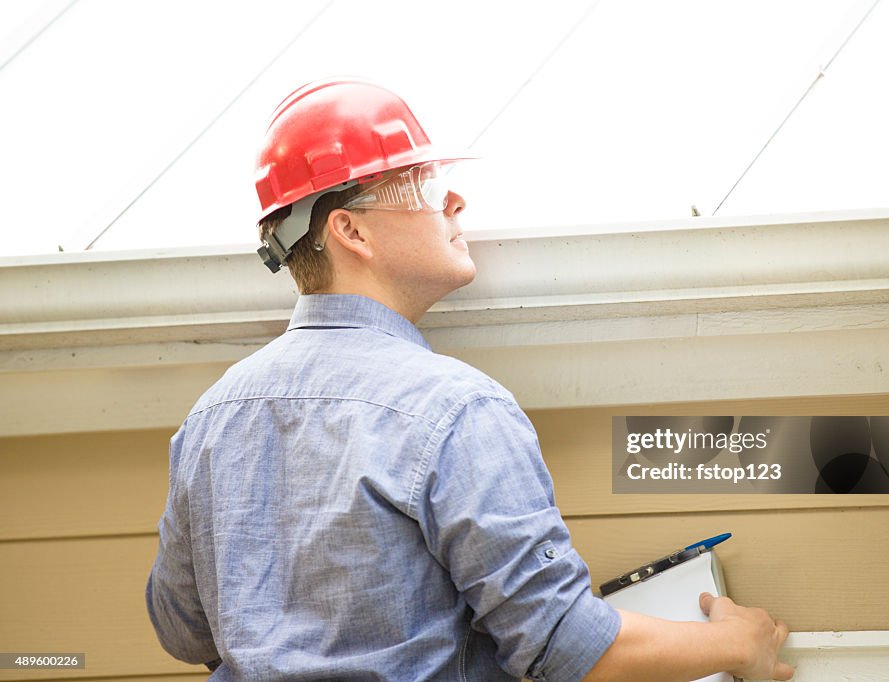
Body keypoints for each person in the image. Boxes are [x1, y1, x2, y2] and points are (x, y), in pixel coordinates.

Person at [146, 77, 794, 681]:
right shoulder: (453, 409)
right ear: (350, 231)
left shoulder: (210, 418)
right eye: (424, 185)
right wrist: (740, 643)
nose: (455, 200)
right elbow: (561, 644)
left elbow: (182, 630)